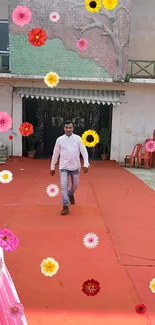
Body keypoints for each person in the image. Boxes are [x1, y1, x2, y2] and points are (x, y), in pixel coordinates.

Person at [50, 120, 90, 215]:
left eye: (70, 127)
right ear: (64, 128)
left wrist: (86, 164)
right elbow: (55, 154)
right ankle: (65, 205)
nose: (68, 129)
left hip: (75, 167)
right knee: (64, 186)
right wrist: (52, 166)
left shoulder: (78, 139)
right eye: (67, 127)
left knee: (75, 184)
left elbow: (84, 151)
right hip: (63, 167)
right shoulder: (59, 140)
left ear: (73, 128)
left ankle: (71, 193)